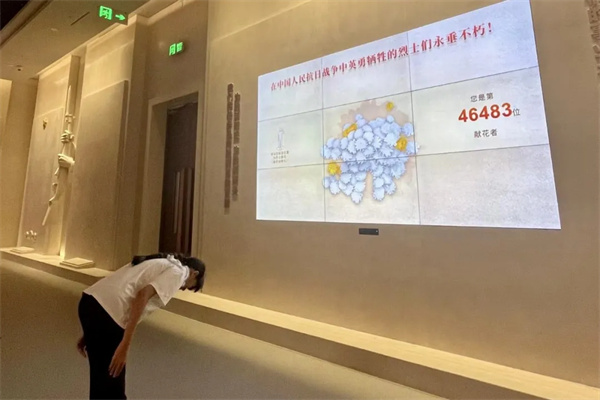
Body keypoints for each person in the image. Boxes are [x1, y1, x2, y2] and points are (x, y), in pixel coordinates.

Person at [76, 253, 206, 399]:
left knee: (100, 382)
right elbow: (142, 295)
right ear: (195, 273)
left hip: (89, 304)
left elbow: (116, 289)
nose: (183, 289)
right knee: (113, 386)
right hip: (107, 316)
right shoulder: (179, 273)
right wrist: (125, 345)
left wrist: (90, 332)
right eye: (189, 287)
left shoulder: (160, 262)